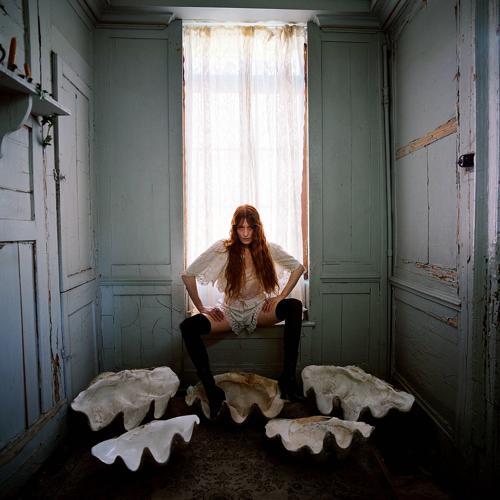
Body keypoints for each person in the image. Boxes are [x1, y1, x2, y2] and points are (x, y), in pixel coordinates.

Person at [180, 204, 305, 419]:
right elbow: (188, 274)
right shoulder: (223, 248)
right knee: (188, 326)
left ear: (257, 228)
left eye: (250, 228)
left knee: (294, 306)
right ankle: (212, 391)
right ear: (234, 228)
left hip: (258, 308)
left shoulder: (267, 248)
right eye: (241, 228)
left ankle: (287, 380)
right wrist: (201, 307)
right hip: (230, 311)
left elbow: (298, 268)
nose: (246, 233)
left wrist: (280, 296)